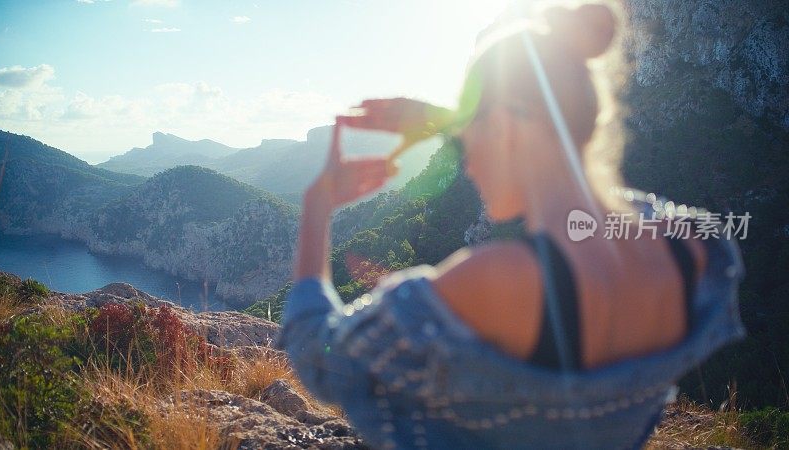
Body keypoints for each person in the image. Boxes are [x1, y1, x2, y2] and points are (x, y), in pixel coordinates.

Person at [275, 2, 746, 449]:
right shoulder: (694, 248)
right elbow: (623, 214)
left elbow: (322, 359)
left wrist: (317, 207)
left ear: (502, 125)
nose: (467, 161)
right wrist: (457, 120)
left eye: (466, 137)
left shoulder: (501, 279)